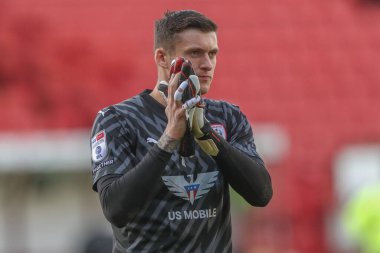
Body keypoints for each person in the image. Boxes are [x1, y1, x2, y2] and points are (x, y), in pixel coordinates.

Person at [90, 10, 273, 253]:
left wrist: (209, 136)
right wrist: (169, 139)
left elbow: (261, 194)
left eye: (213, 53)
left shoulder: (228, 117)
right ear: (162, 58)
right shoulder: (118, 120)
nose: (207, 64)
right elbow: (116, 209)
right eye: (195, 53)